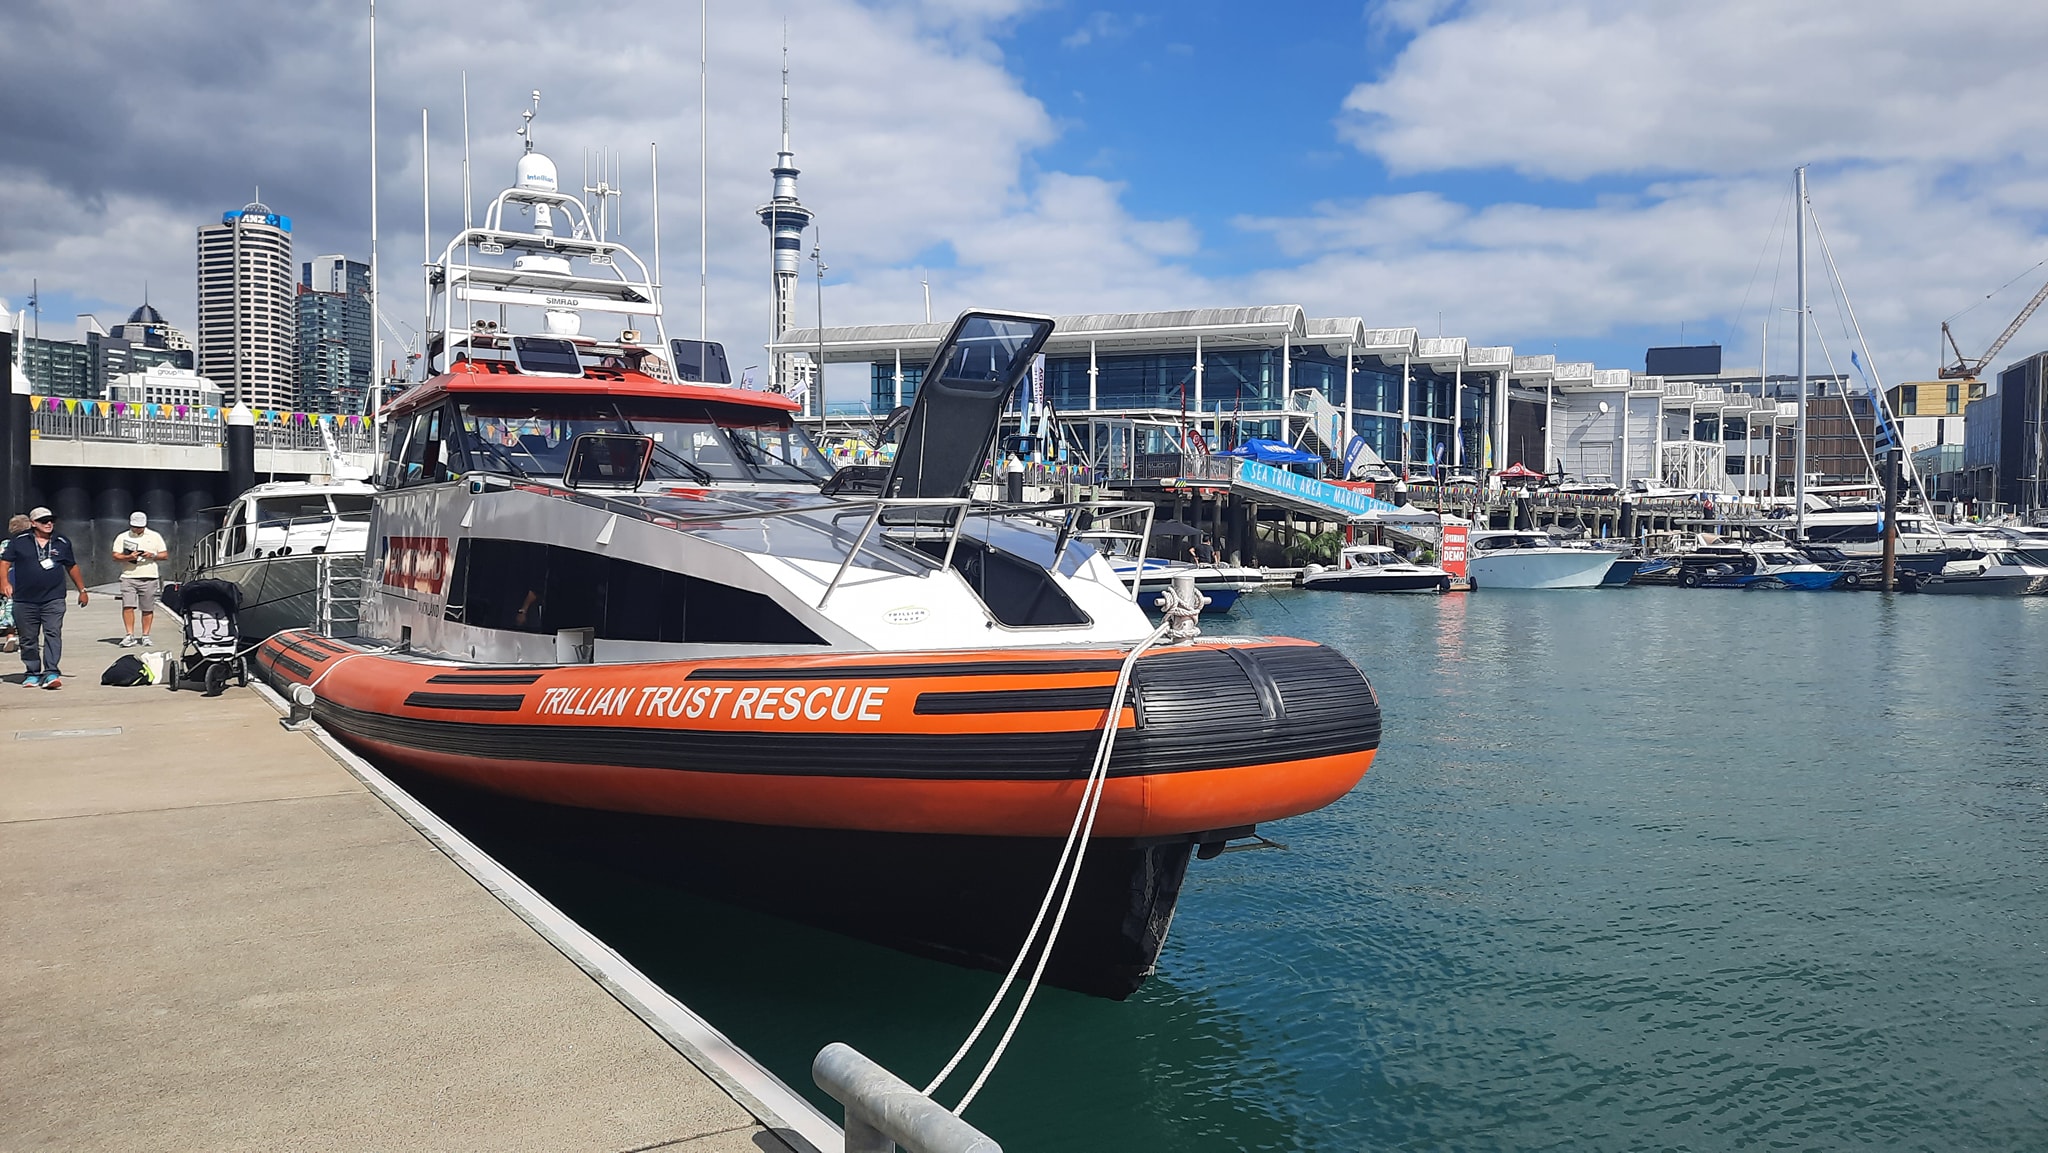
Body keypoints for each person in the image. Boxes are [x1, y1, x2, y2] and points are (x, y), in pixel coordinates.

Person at [0, 507, 90, 689]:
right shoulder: (20, 541)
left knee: (52, 633)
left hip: (53, 598)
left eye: (51, 520)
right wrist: (4, 582)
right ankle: (32, 672)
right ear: (33, 523)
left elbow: (71, 566)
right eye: (43, 520)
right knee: (28, 638)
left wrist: (82, 589)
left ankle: (51, 673)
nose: (49, 523)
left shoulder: (62, 541)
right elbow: (5, 562)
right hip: (24, 599)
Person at [114, 511, 170, 647]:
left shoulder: (154, 536)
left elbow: (164, 555)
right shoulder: (122, 537)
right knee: (128, 606)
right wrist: (129, 557)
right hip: (129, 576)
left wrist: (152, 555)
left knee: (147, 608)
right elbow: (115, 556)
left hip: (149, 576)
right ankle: (129, 635)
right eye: (135, 526)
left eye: (140, 527)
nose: (137, 529)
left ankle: (145, 635)